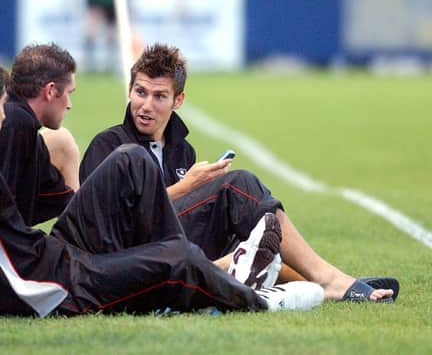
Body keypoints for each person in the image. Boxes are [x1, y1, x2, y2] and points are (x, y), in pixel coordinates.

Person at [0, 56, 324, 322]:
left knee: (132, 160)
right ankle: (256, 299)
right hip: (53, 284)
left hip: (53, 254)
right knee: (175, 256)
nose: (7, 117)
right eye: (2, 108)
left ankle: (205, 276)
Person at [80, 43, 398, 302]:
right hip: (128, 259)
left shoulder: (181, 151)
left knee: (251, 231)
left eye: (159, 96)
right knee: (240, 186)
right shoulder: (109, 146)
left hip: (172, 247)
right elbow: (104, 227)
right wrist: (188, 186)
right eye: (140, 92)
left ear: (178, 100)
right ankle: (327, 280)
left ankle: (327, 282)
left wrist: (196, 191)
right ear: (130, 91)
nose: (146, 105)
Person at [0, 43, 79, 227]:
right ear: (50, 91)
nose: (69, 104)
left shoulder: (22, 123)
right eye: (69, 94)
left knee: (63, 141)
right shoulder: (15, 123)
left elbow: (62, 198)